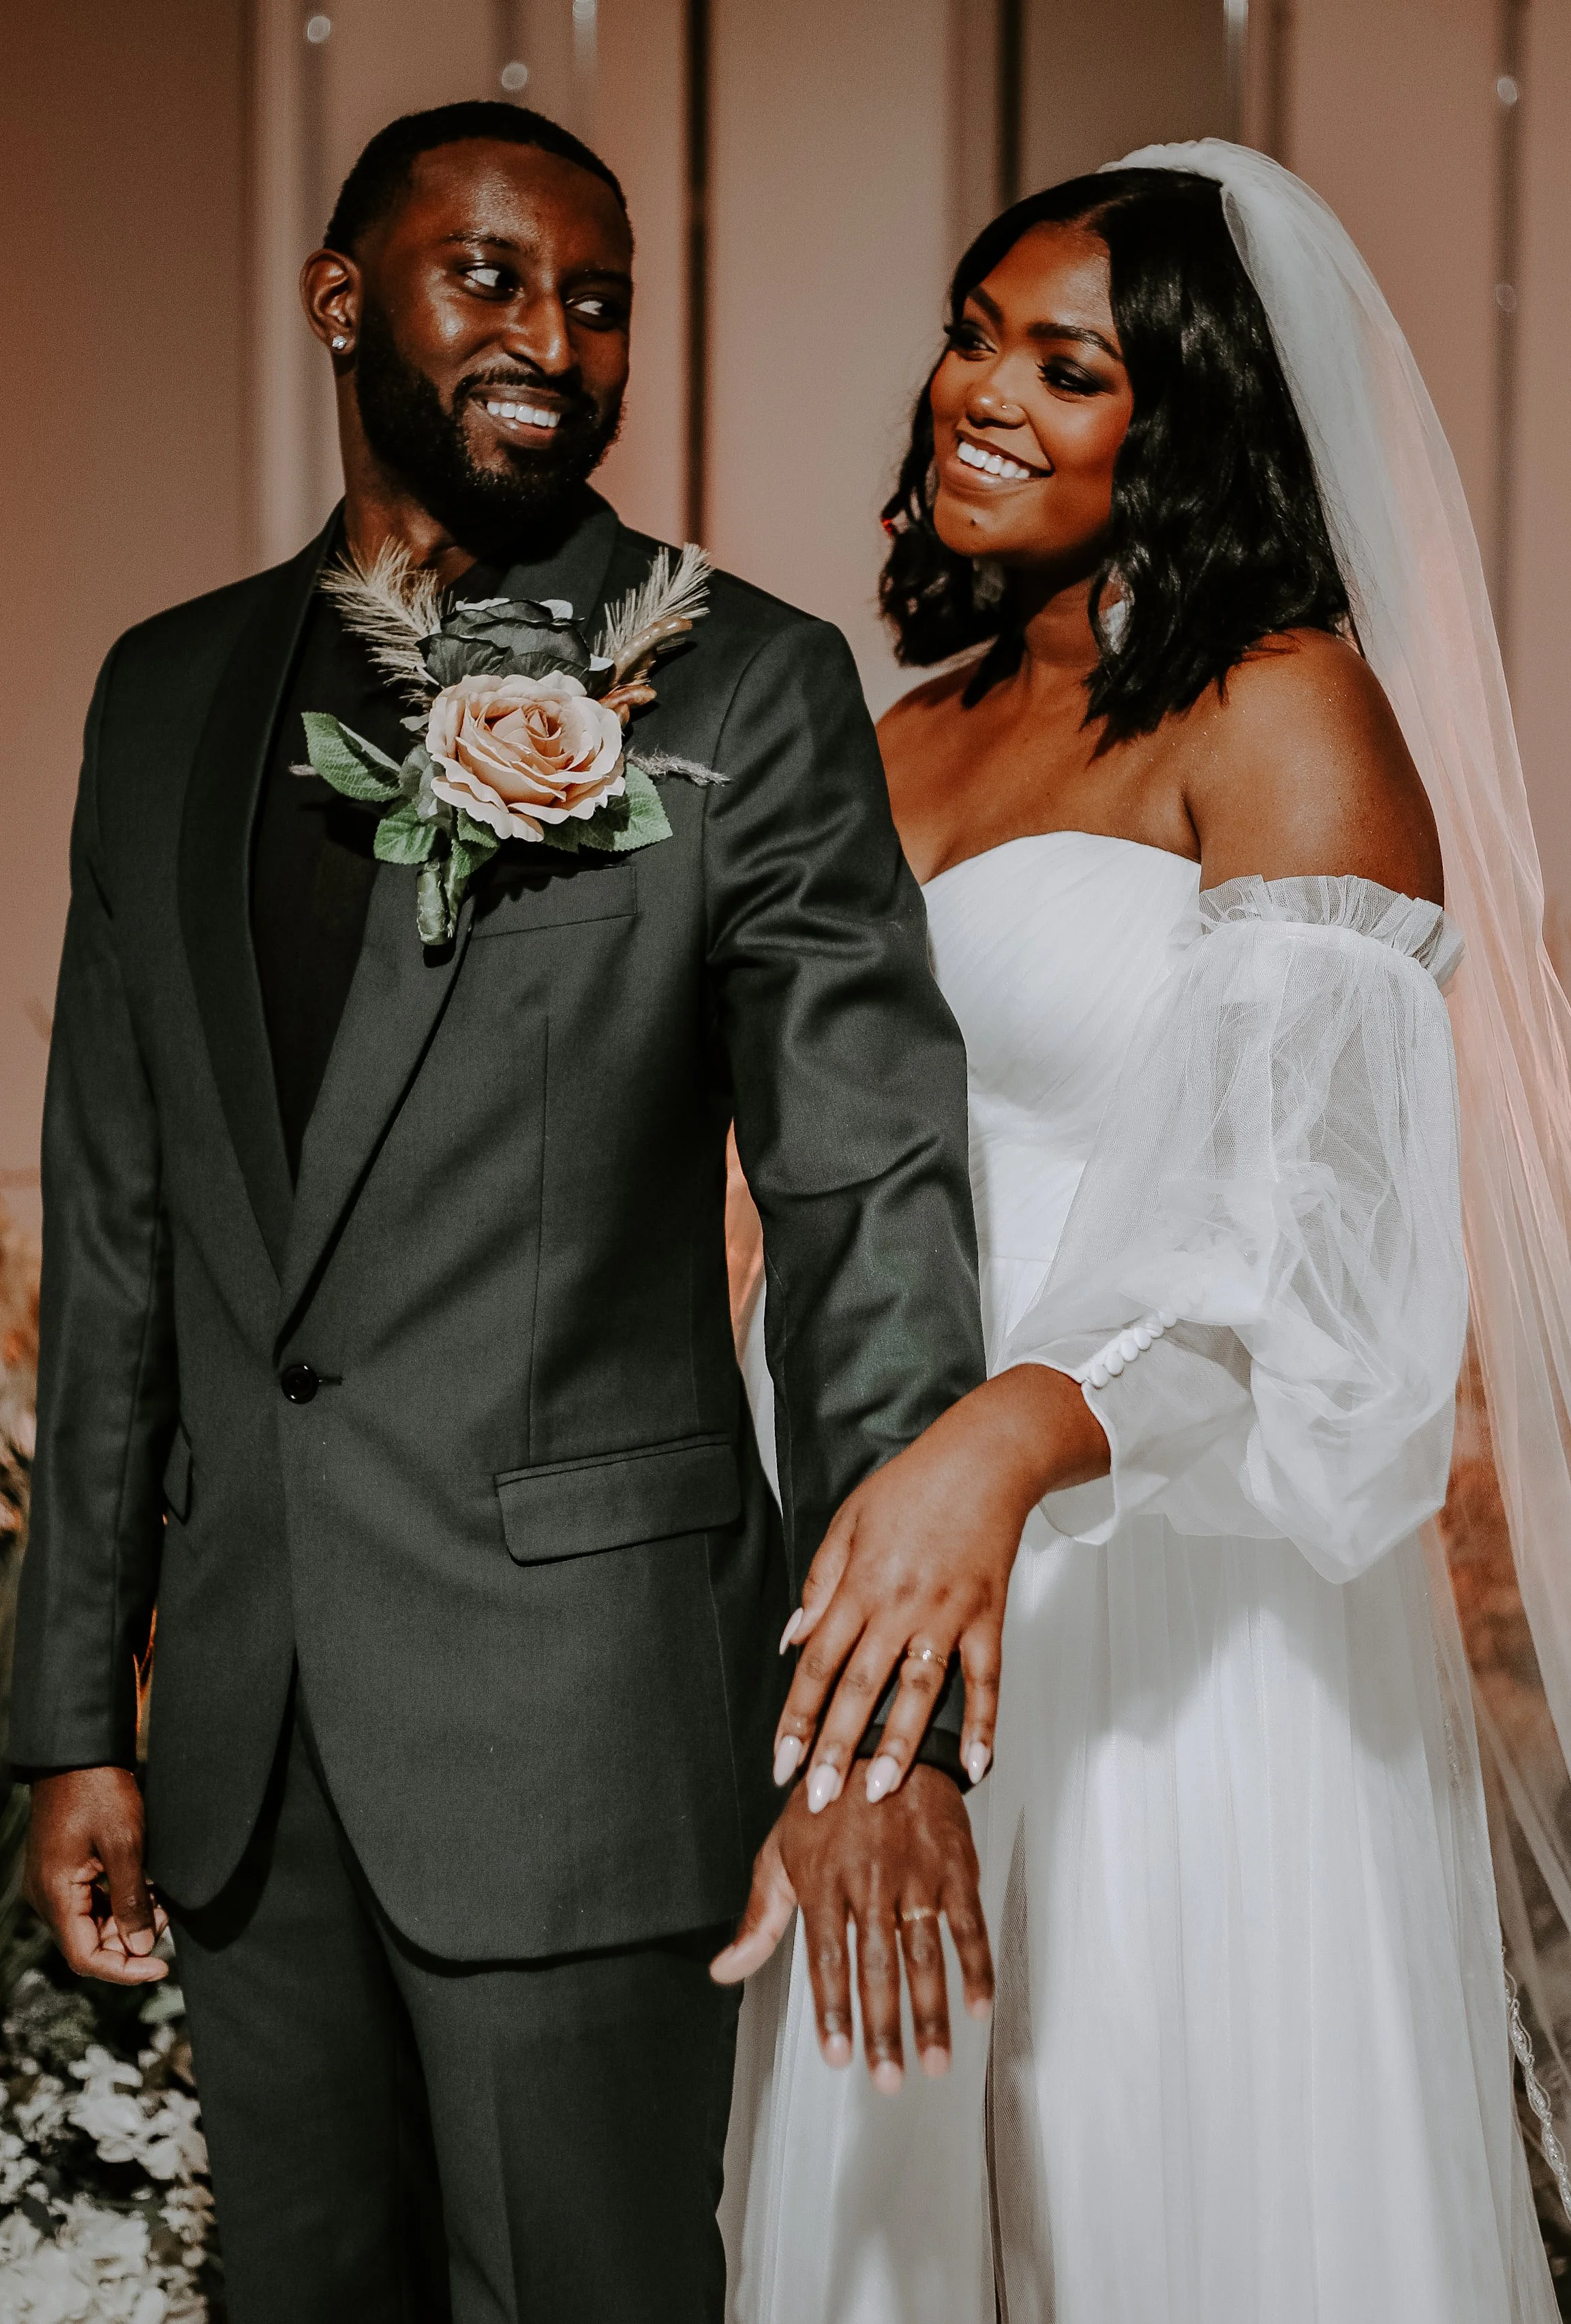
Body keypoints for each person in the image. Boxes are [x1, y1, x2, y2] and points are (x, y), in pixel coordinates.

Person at [7, 102, 994, 2323]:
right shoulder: (163, 696)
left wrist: (885, 1728)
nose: (554, 336)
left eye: (603, 298)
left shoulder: (739, 684)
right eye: (493, 278)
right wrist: (77, 1706)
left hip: (581, 1731)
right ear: (343, 302)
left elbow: (867, 1209)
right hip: (250, 1748)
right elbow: (126, 1219)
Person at [718, 145, 1571, 2321]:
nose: (978, 394)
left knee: (1168, 2202)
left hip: (1180, 1634)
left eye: (1069, 367)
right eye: (974, 332)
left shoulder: (1284, 713)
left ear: (1190, 427)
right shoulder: (896, 741)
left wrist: (1009, 1439)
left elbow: (1325, 1279)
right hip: (887, 1604)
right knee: (899, 2214)